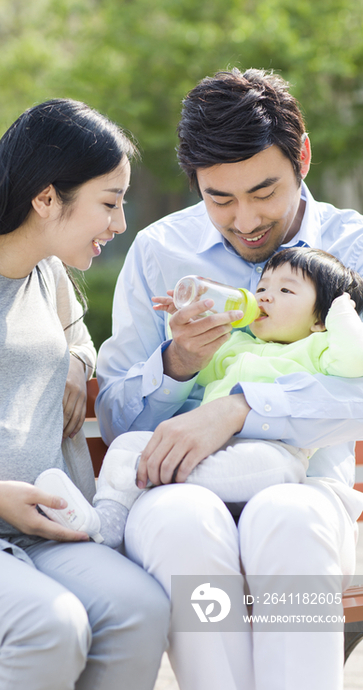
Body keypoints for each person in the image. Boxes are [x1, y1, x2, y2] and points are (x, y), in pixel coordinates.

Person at [96, 68, 363, 690]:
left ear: (302, 158)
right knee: (185, 524)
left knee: (286, 518)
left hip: (307, 488)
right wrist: (178, 365)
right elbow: (115, 421)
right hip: (175, 491)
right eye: (220, 198)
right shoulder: (161, 252)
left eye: (264, 191)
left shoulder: (352, 250)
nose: (245, 220)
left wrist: (242, 406)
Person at [0, 99, 170, 690]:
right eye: (109, 202)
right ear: (46, 198)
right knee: (50, 626)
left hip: (35, 534)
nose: (119, 224)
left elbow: (78, 343)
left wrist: (75, 362)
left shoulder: (50, 277)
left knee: (139, 611)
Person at [37, 246, 363, 546]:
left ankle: (149, 473)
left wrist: (342, 313)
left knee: (268, 466)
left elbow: (354, 358)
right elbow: (199, 368)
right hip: (207, 452)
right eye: (262, 288)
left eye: (285, 290)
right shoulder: (237, 344)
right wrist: (185, 324)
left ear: (319, 320)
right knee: (127, 445)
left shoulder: (318, 347)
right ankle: (103, 527)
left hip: (275, 456)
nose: (264, 297)